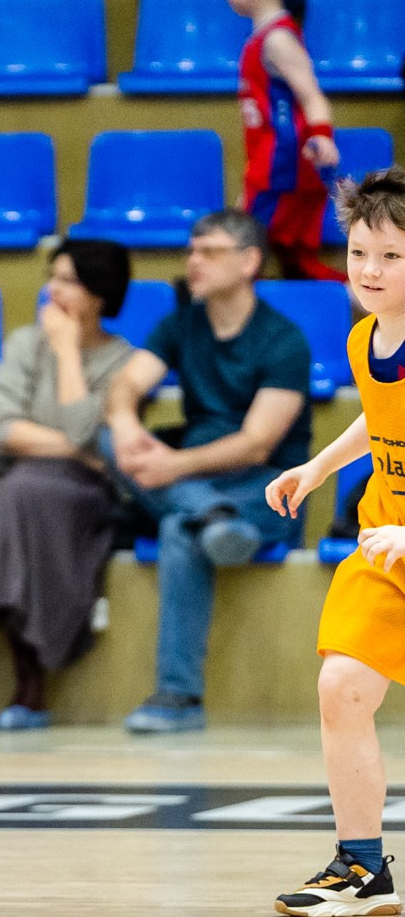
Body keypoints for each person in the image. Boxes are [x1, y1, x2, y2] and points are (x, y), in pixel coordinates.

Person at [103, 209, 312, 735]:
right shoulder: (181, 323)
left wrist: (174, 465)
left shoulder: (284, 340)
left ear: (249, 262)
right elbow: (125, 387)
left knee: (178, 528)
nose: (193, 262)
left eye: (210, 252)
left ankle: (178, 698)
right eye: (191, 251)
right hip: (198, 487)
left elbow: (257, 442)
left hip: (266, 489)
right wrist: (128, 425)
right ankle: (212, 518)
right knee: (109, 436)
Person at [0, 238, 139, 729]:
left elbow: (89, 431)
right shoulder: (23, 343)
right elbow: (2, 424)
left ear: (99, 293)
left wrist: (65, 352)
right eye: (51, 277)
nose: (52, 290)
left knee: (24, 493)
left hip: (88, 496)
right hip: (23, 484)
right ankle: (28, 691)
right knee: (26, 494)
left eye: (67, 280)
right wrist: (80, 449)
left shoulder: (126, 362)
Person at [263, 173, 405, 916]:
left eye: (392, 255)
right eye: (359, 252)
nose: (371, 270)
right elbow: (382, 419)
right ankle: (360, 868)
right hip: (386, 552)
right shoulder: (363, 338)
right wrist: (319, 466)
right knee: (341, 687)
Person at [216, 0, 345, 283]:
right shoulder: (263, 38)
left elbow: (311, 96)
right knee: (292, 264)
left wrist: (322, 136)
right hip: (269, 164)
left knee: (239, 248)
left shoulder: (278, 41)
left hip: (283, 168)